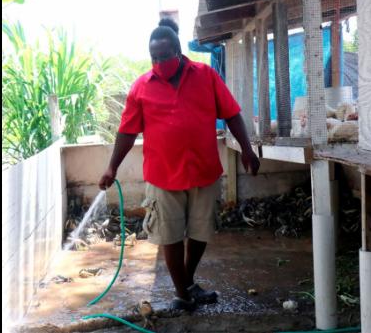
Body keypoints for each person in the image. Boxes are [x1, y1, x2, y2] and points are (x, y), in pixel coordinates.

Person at [99, 18, 260, 311]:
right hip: (163, 176)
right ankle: (183, 293)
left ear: (177, 51)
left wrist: (247, 150)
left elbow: (232, 114)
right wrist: (112, 167)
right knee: (169, 236)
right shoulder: (141, 87)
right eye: (153, 57)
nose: (158, 62)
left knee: (200, 232)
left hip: (204, 171)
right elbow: (126, 132)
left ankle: (186, 283)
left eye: (163, 55)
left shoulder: (206, 75)